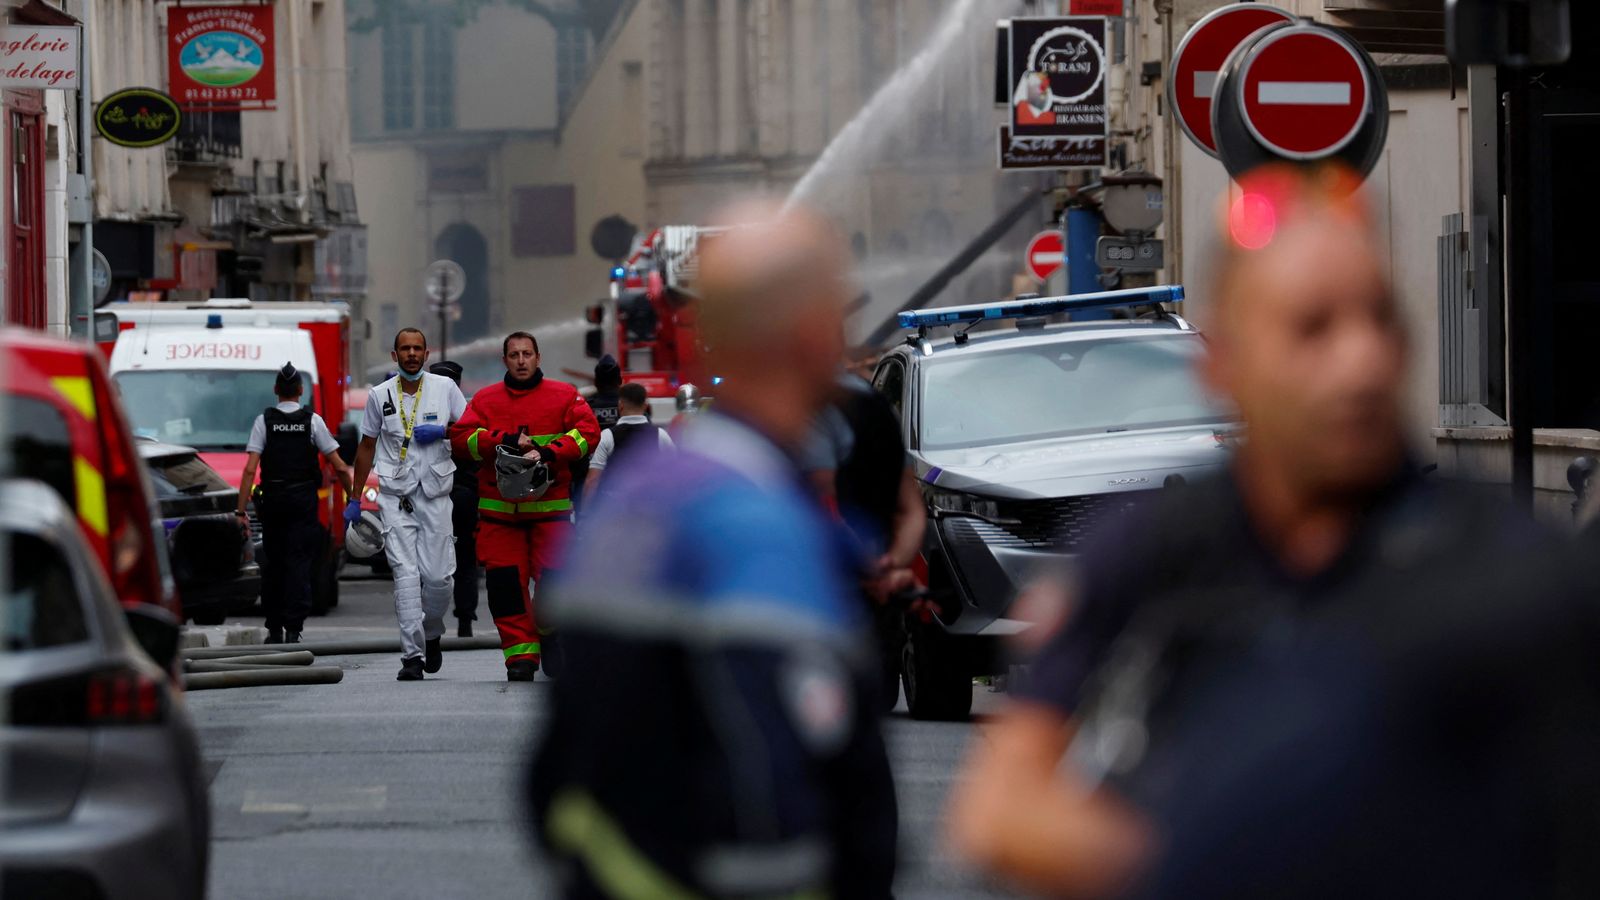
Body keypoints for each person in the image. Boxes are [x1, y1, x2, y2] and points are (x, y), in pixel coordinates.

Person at [948, 164, 1600, 898]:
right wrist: (1214, 861)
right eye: (1312, 329)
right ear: (1222, 364)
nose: (1362, 363)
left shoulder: (1507, 567)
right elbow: (999, 810)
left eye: (1380, 319)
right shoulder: (1154, 554)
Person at [528, 200, 899, 898]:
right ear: (817, 335)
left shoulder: (638, 497)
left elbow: (554, 772)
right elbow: (769, 800)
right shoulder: (758, 526)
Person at [447, 331, 599, 681]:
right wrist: (501, 442)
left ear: (537, 357)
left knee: (555, 587)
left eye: (526, 354)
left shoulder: (564, 396)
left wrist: (549, 452)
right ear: (505, 360)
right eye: (514, 354)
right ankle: (521, 658)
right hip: (500, 518)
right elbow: (460, 439)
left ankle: (550, 637)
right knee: (506, 590)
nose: (520, 360)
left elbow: (587, 433)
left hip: (551, 516)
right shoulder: (485, 401)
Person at [347, 328, 467, 681]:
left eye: (417, 348)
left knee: (439, 578)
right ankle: (411, 657)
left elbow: (471, 428)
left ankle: (431, 633)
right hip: (395, 498)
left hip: (435, 496)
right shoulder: (379, 395)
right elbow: (367, 446)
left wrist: (444, 433)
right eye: (405, 348)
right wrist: (355, 498)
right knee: (406, 577)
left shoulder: (445, 389)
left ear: (427, 353)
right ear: (394, 354)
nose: (411, 354)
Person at [803, 372, 927, 708]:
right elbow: (911, 511)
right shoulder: (876, 406)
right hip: (871, 598)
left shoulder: (796, 403)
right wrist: (890, 566)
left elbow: (821, 504)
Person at [236, 362, 354, 645]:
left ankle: (274, 628)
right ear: (301, 391)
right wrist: (354, 498)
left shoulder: (264, 421)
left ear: (276, 390)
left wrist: (240, 511)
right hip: (302, 501)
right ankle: (293, 628)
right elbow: (338, 465)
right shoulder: (313, 421)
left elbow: (251, 469)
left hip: (273, 500)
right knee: (299, 562)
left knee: (274, 562)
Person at [430, 360, 481, 637]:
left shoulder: (425, 411)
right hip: (463, 495)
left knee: (431, 558)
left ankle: (432, 621)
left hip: (438, 495)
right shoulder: (468, 412)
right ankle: (464, 620)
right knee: (464, 559)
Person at [582, 381, 673, 497]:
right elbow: (674, 474)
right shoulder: (661, 435)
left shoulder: (607, 435)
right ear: (645, 406)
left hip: (616, 507)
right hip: (651, 507)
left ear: (620, 405)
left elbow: (592, 480)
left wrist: (585, 513)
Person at [570, 354, 621, 514]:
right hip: (623, 483)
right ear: (619, 381)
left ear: (596, 382)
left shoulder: (584, 407)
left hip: (586, 483)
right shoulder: (632, 406)